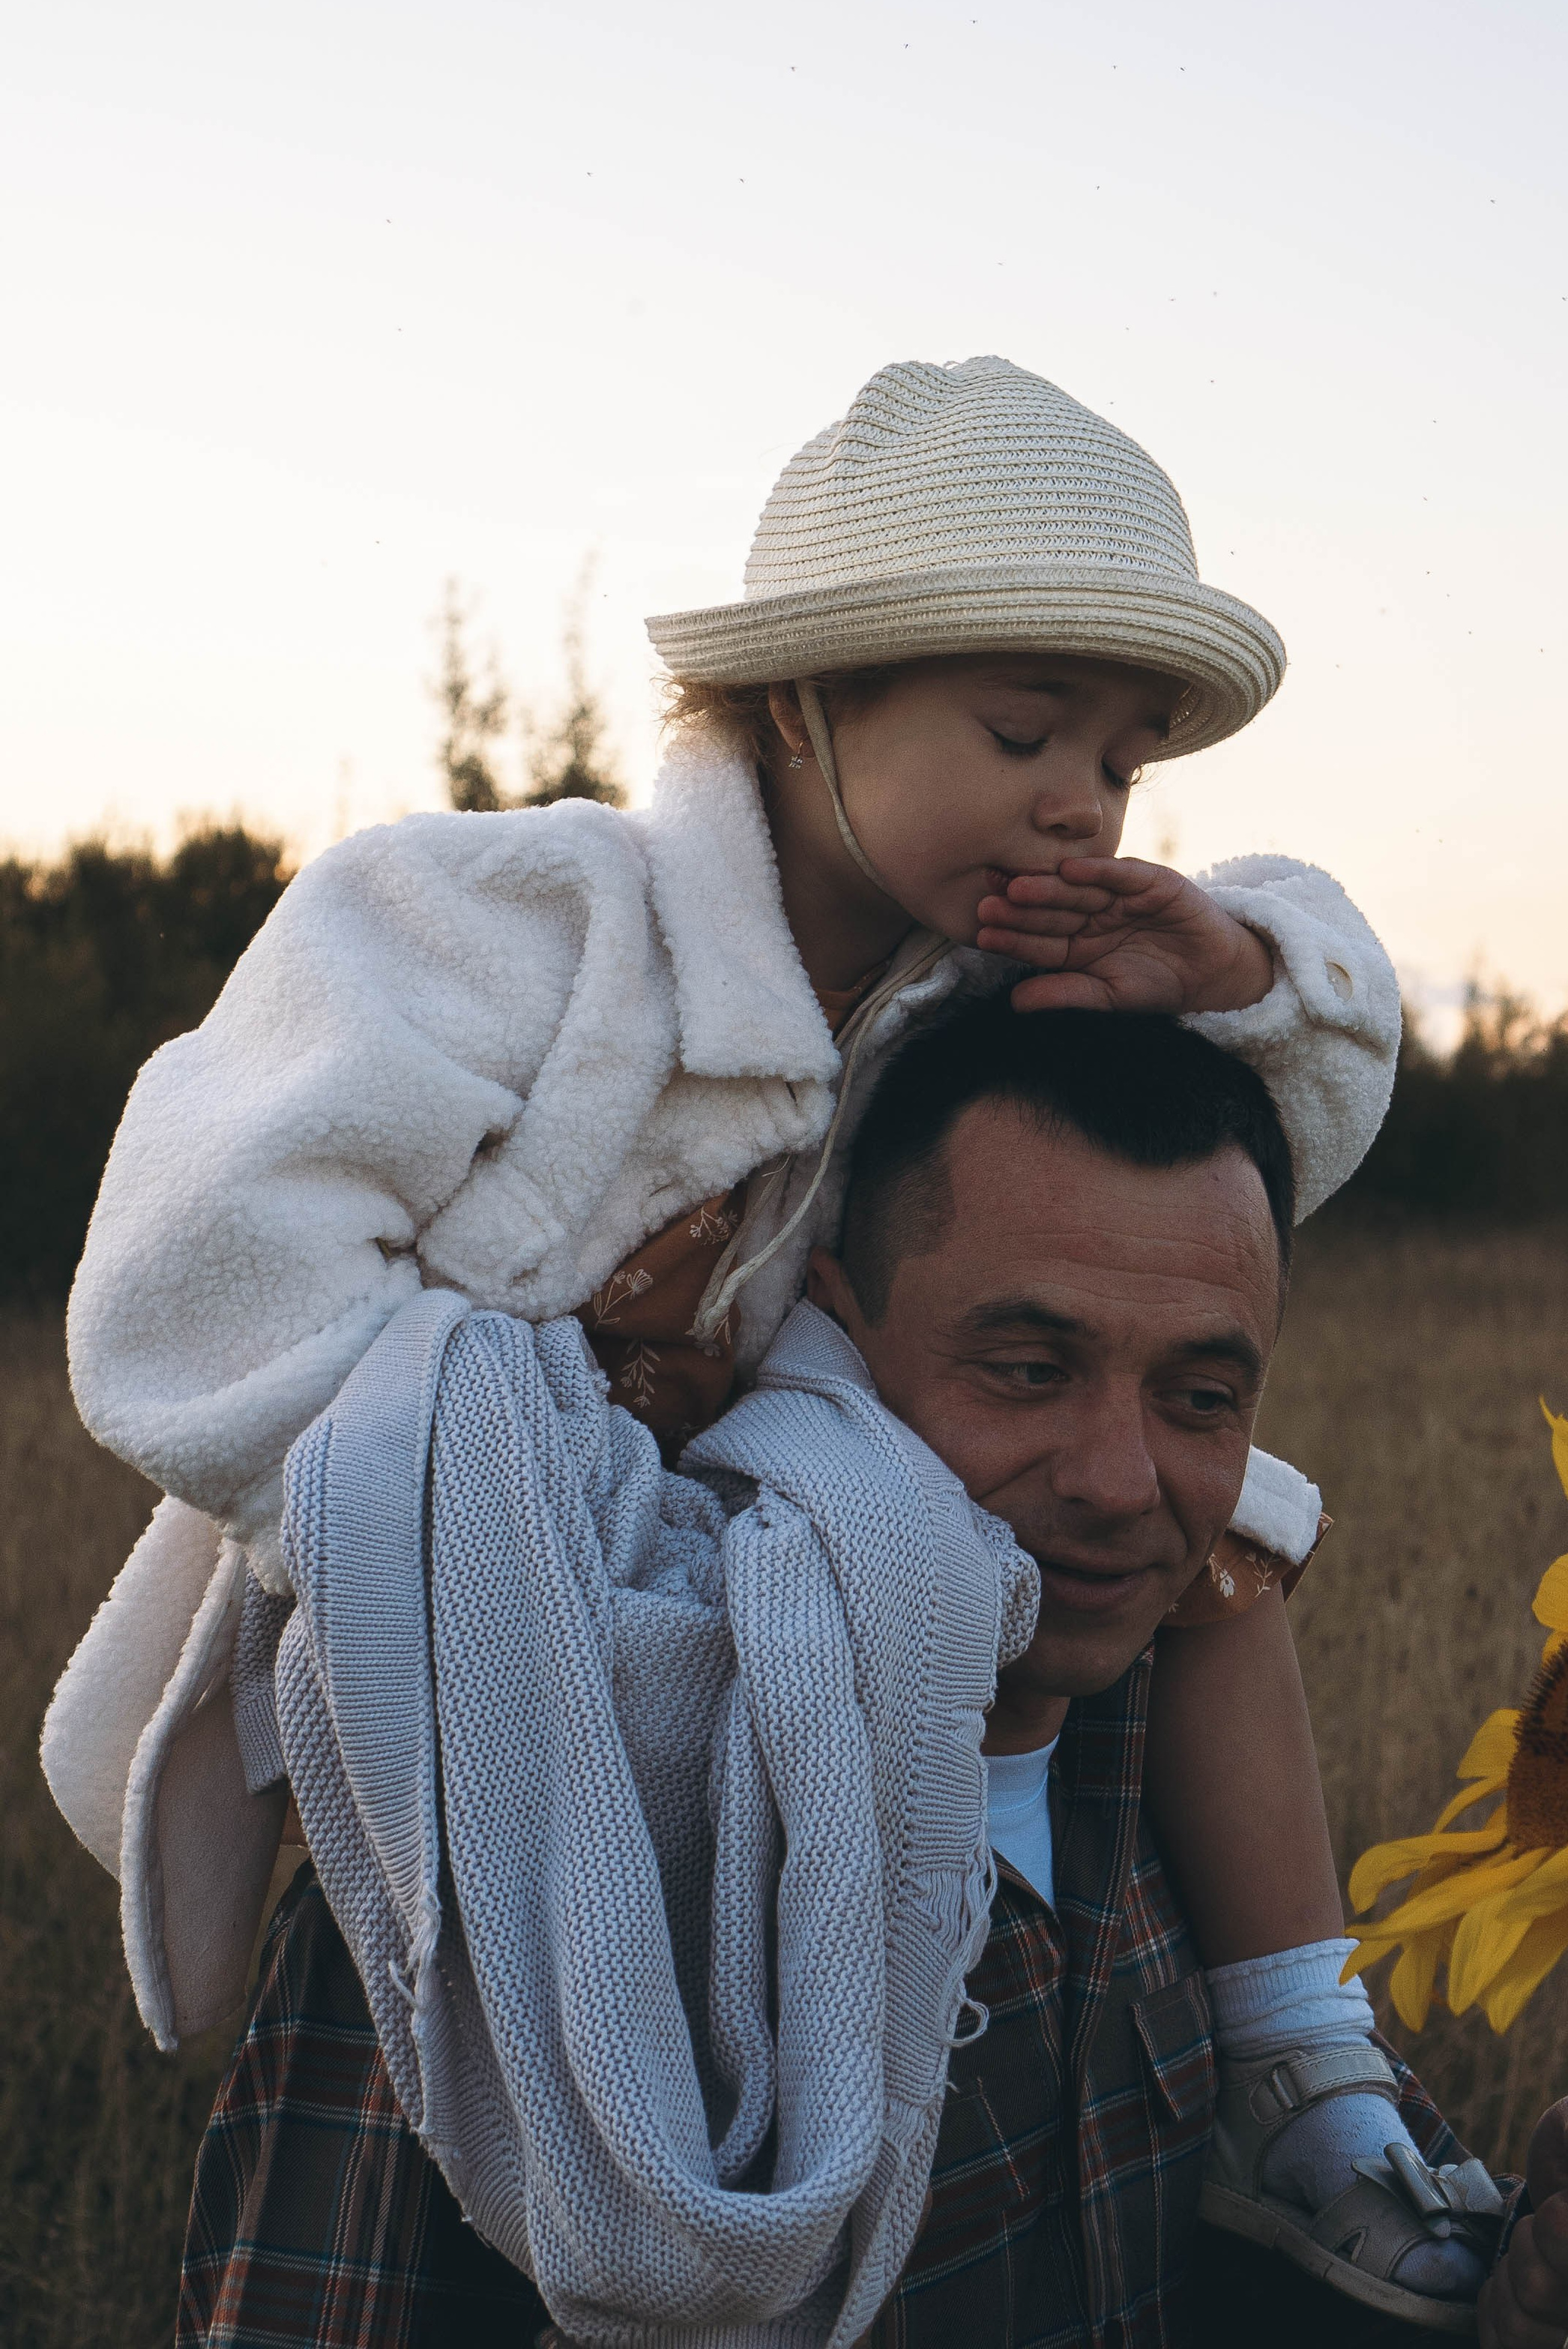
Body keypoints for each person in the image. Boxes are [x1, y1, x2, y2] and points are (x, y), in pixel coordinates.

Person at [51, 353, 1427, 2305]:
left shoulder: (987, 1002)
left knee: (1225, 1524)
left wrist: (1233, 967)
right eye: (1022, 728)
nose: (1079, 804)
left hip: (790, 1542)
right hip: (494, 1587)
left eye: (1123, 765)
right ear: (801, 704)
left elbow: (1265, 1146)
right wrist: (521, 1489)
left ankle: (1299, 2059)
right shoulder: (522, 923)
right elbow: (201, 1267)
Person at [176, 997, 1568, 2345]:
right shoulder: (531, 1853)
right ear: (834, 1336)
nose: (1122, 1481)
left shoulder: (1183, 1790)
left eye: (1200, 1397)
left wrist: (1497, 2305)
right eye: (1029, 1369)